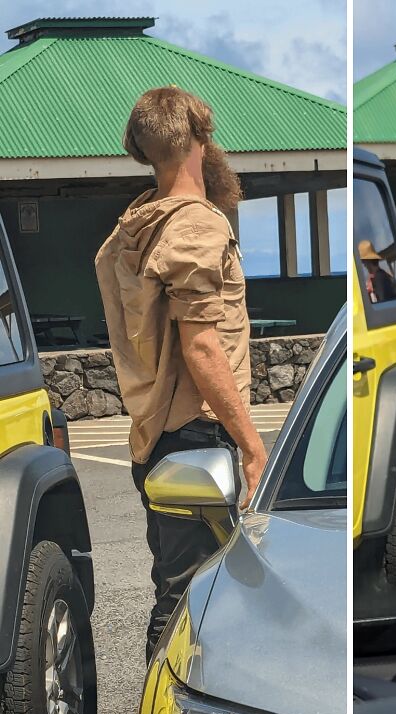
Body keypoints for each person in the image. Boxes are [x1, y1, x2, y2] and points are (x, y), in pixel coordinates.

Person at [95, 87, 267, 662]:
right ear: (198, 138)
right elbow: (202, 346)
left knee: (178, 591)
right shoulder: (197, 227)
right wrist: (251, 443)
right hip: (199, 435)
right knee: (194, 601)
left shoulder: (132, 228)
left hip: (156, 435)